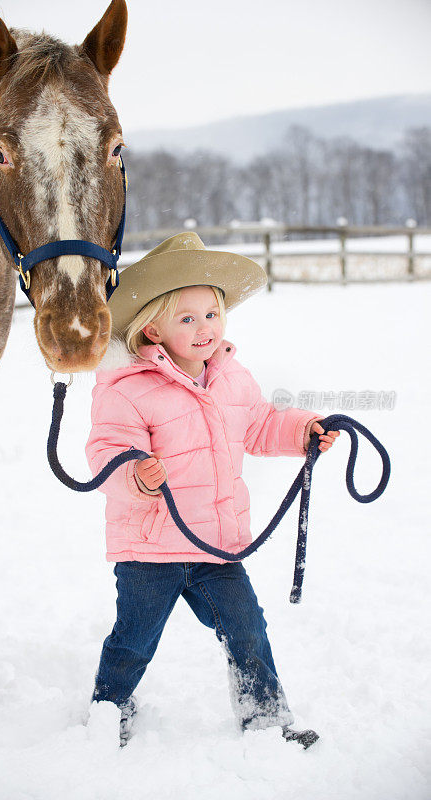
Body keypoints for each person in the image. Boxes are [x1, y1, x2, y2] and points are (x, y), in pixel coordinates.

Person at [85, 232, 339, 748]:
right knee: (133, 641)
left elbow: (259, 424)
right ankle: (108, 712)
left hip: (215, 548)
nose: (205, 328)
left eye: (212, 314)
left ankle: (265, 717)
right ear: (152, 328)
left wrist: (302, 430)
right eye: (187, 318)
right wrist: (136, 473)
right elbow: (106, 451)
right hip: (150, 550)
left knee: (248, 632)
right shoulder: (128, 388)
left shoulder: (230, 376)